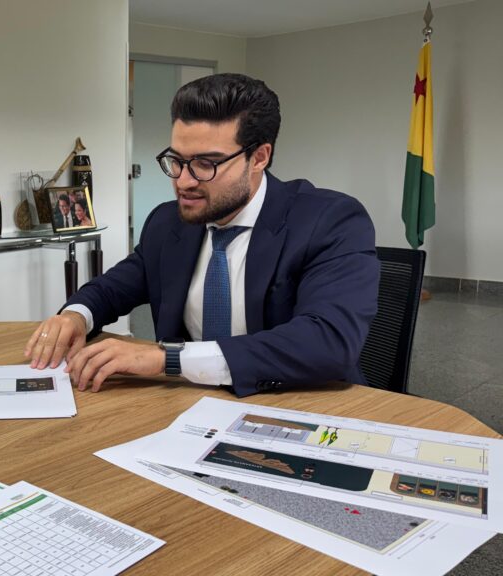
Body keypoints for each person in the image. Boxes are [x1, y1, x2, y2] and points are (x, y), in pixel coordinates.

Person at [25, 73, 378, 397]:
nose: (183, 181)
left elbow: (327, 341)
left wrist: (167, 358)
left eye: (206, 164)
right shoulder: (168, 222)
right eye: (176, 160)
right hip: (193, 407)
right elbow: (113, 288)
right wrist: (75, 316)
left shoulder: (329, 221)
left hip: (304, 403)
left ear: (259, 158)